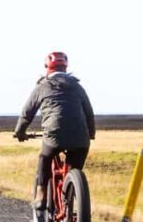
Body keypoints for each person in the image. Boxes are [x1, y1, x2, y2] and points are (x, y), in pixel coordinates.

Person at [14, 52, 95, 211]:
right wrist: (91, 133)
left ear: (47, 68)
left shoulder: (42, 86)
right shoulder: (77, 87)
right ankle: (71, 194)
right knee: (74, 168)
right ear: (66, 68)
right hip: (80, 138)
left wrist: (20, 132)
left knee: (45, 157)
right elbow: (89, 113)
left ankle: (42, 193)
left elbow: (27, 113)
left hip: (54, 134)